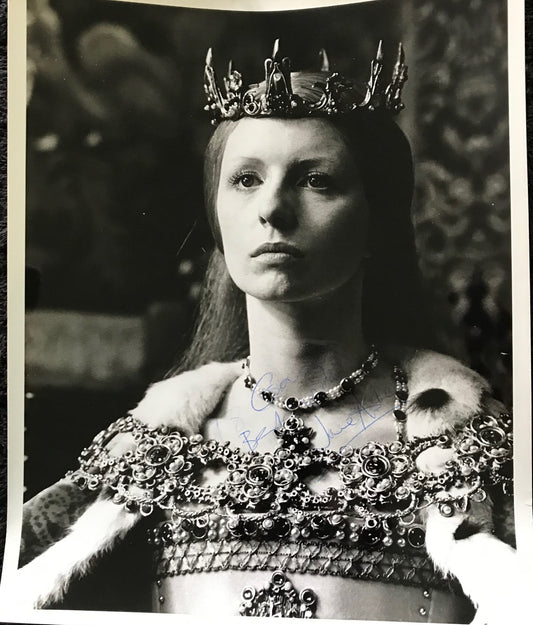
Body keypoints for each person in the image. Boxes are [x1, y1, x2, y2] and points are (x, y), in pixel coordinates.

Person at [9, 41, 523, 623]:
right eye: (246, 179)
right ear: (217, 214)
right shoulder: (149, 450)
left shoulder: (468, 448)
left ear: (378, 218)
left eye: (316, 180)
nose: (272, 209)